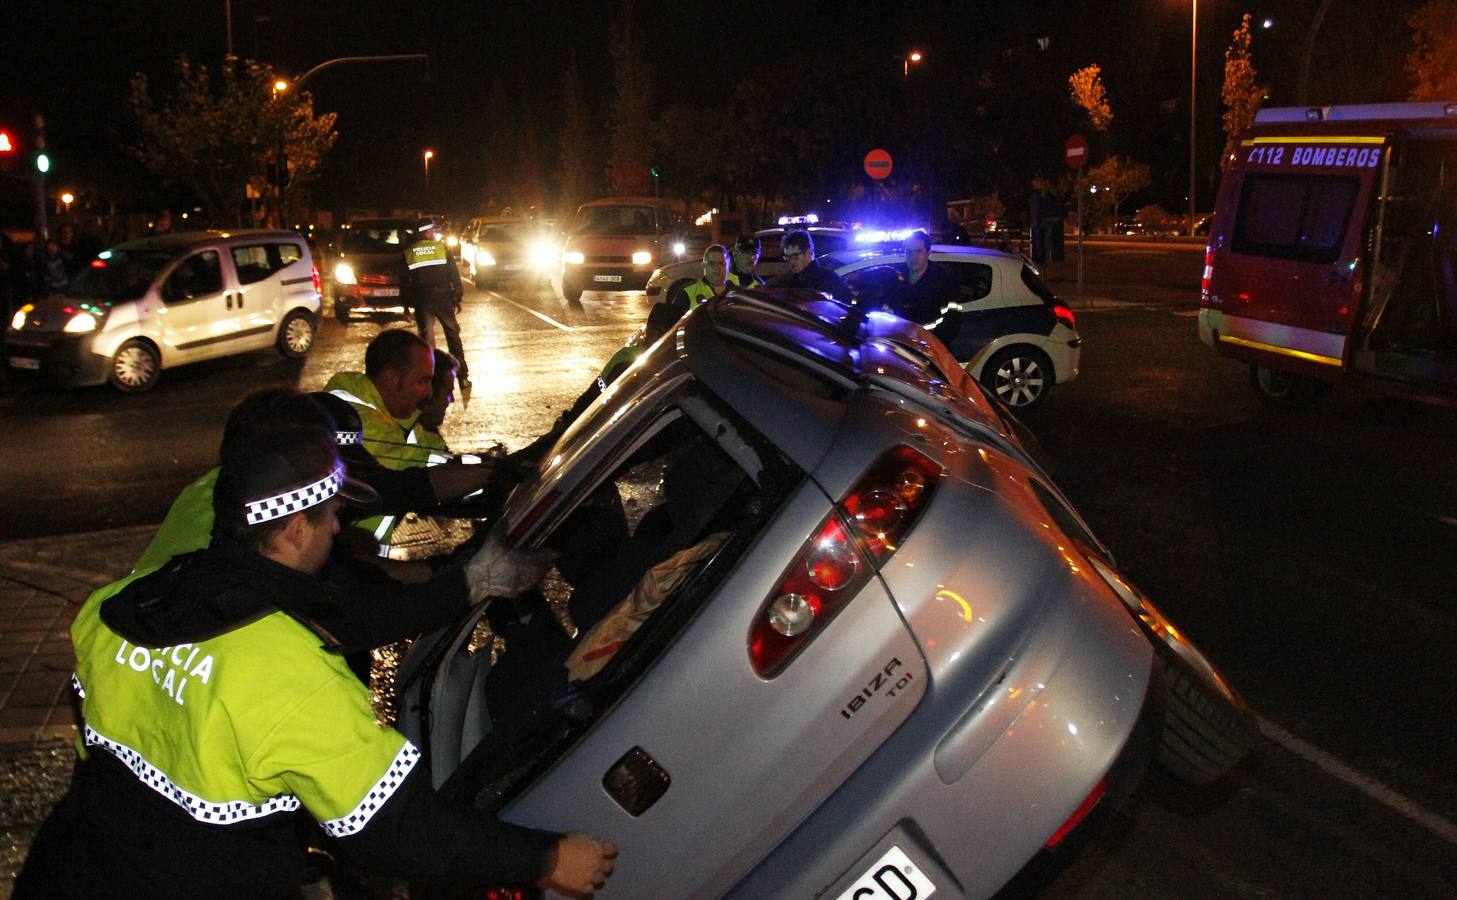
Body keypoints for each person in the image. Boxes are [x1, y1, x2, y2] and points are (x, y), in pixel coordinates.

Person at [15, 389, 617, 899]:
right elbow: (398, 831)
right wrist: (549, 859)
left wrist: (471, 578)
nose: (340, 526)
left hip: (70, 869)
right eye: (332, 515)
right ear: (297, 527)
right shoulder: (295, 678)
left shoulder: (117, 603)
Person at [324, 329, 507, 555]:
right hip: (339, 566)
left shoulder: (375, 409)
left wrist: (488, 463)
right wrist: (503, 470)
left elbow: (435, 457)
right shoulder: (369, 427)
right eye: (423, 381)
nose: (430, 392)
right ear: (391, 380)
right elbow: (433, 474)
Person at [404, 217, 469, 389]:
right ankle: (462, 375)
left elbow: (404, 282)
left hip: (422, 301)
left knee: (427, 343)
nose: (434, 232)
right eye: (432, 230)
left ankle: (432, 380)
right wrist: (458, 296)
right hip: (443, 300)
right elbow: (454, 275)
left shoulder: (409, 252)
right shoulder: (442, 249)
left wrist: (406, 305)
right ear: (427, 232)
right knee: (453, 337)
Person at [891, 229, 957, 326]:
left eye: (918, 251)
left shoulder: (942, 280)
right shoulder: (894, 276)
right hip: (897, 338)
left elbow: (952, 321)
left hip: (930, 339)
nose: (913, 257)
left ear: (928, 254)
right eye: (909, 251)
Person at [765, 230, 853, 303]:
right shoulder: (786, 281)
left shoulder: (828, 279)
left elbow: (844, 306)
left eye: (795, 256)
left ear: (808, 253)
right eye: (788, 257)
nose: (791, 262)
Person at [667, 244, 732, 314]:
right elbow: (674, 324)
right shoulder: (687, 295)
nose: (716, 267)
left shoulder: (738, 294)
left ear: (728, 265)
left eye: (721, 263)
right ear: (704, 266)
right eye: (711, 263)